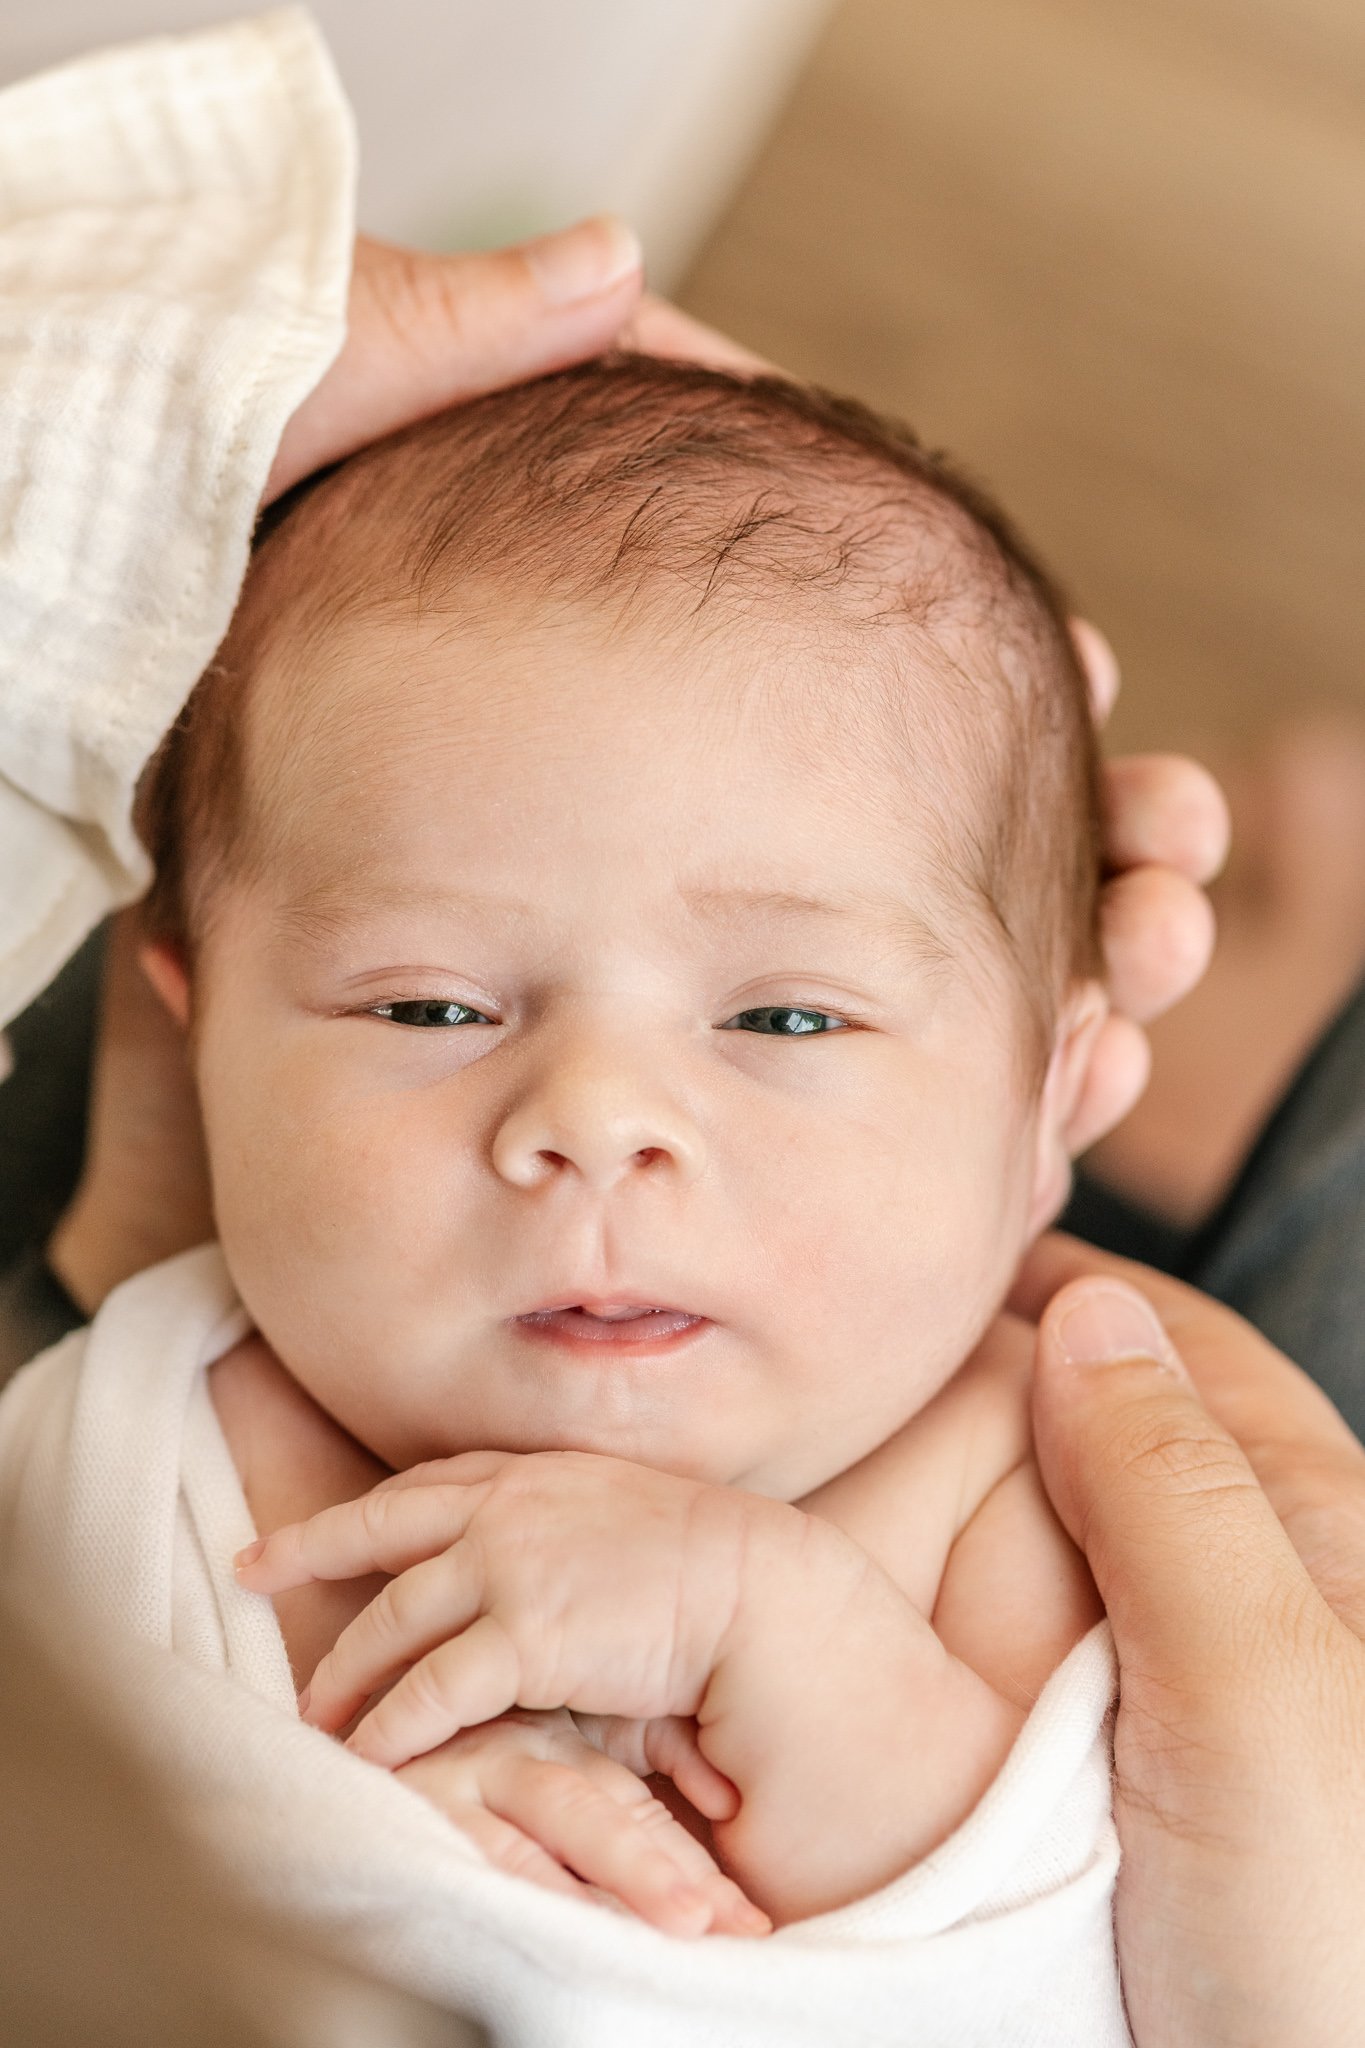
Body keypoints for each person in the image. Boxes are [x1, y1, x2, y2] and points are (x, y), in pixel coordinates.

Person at [0, 13, 1358, 2046]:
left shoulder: (1013, 1474)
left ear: (1049, 1094)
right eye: (430, 1001)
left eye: (786, 1013)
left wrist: (765, 1630)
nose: (594, 1119)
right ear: (192, 1033)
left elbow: (1050, 1925)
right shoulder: (119, 1424)